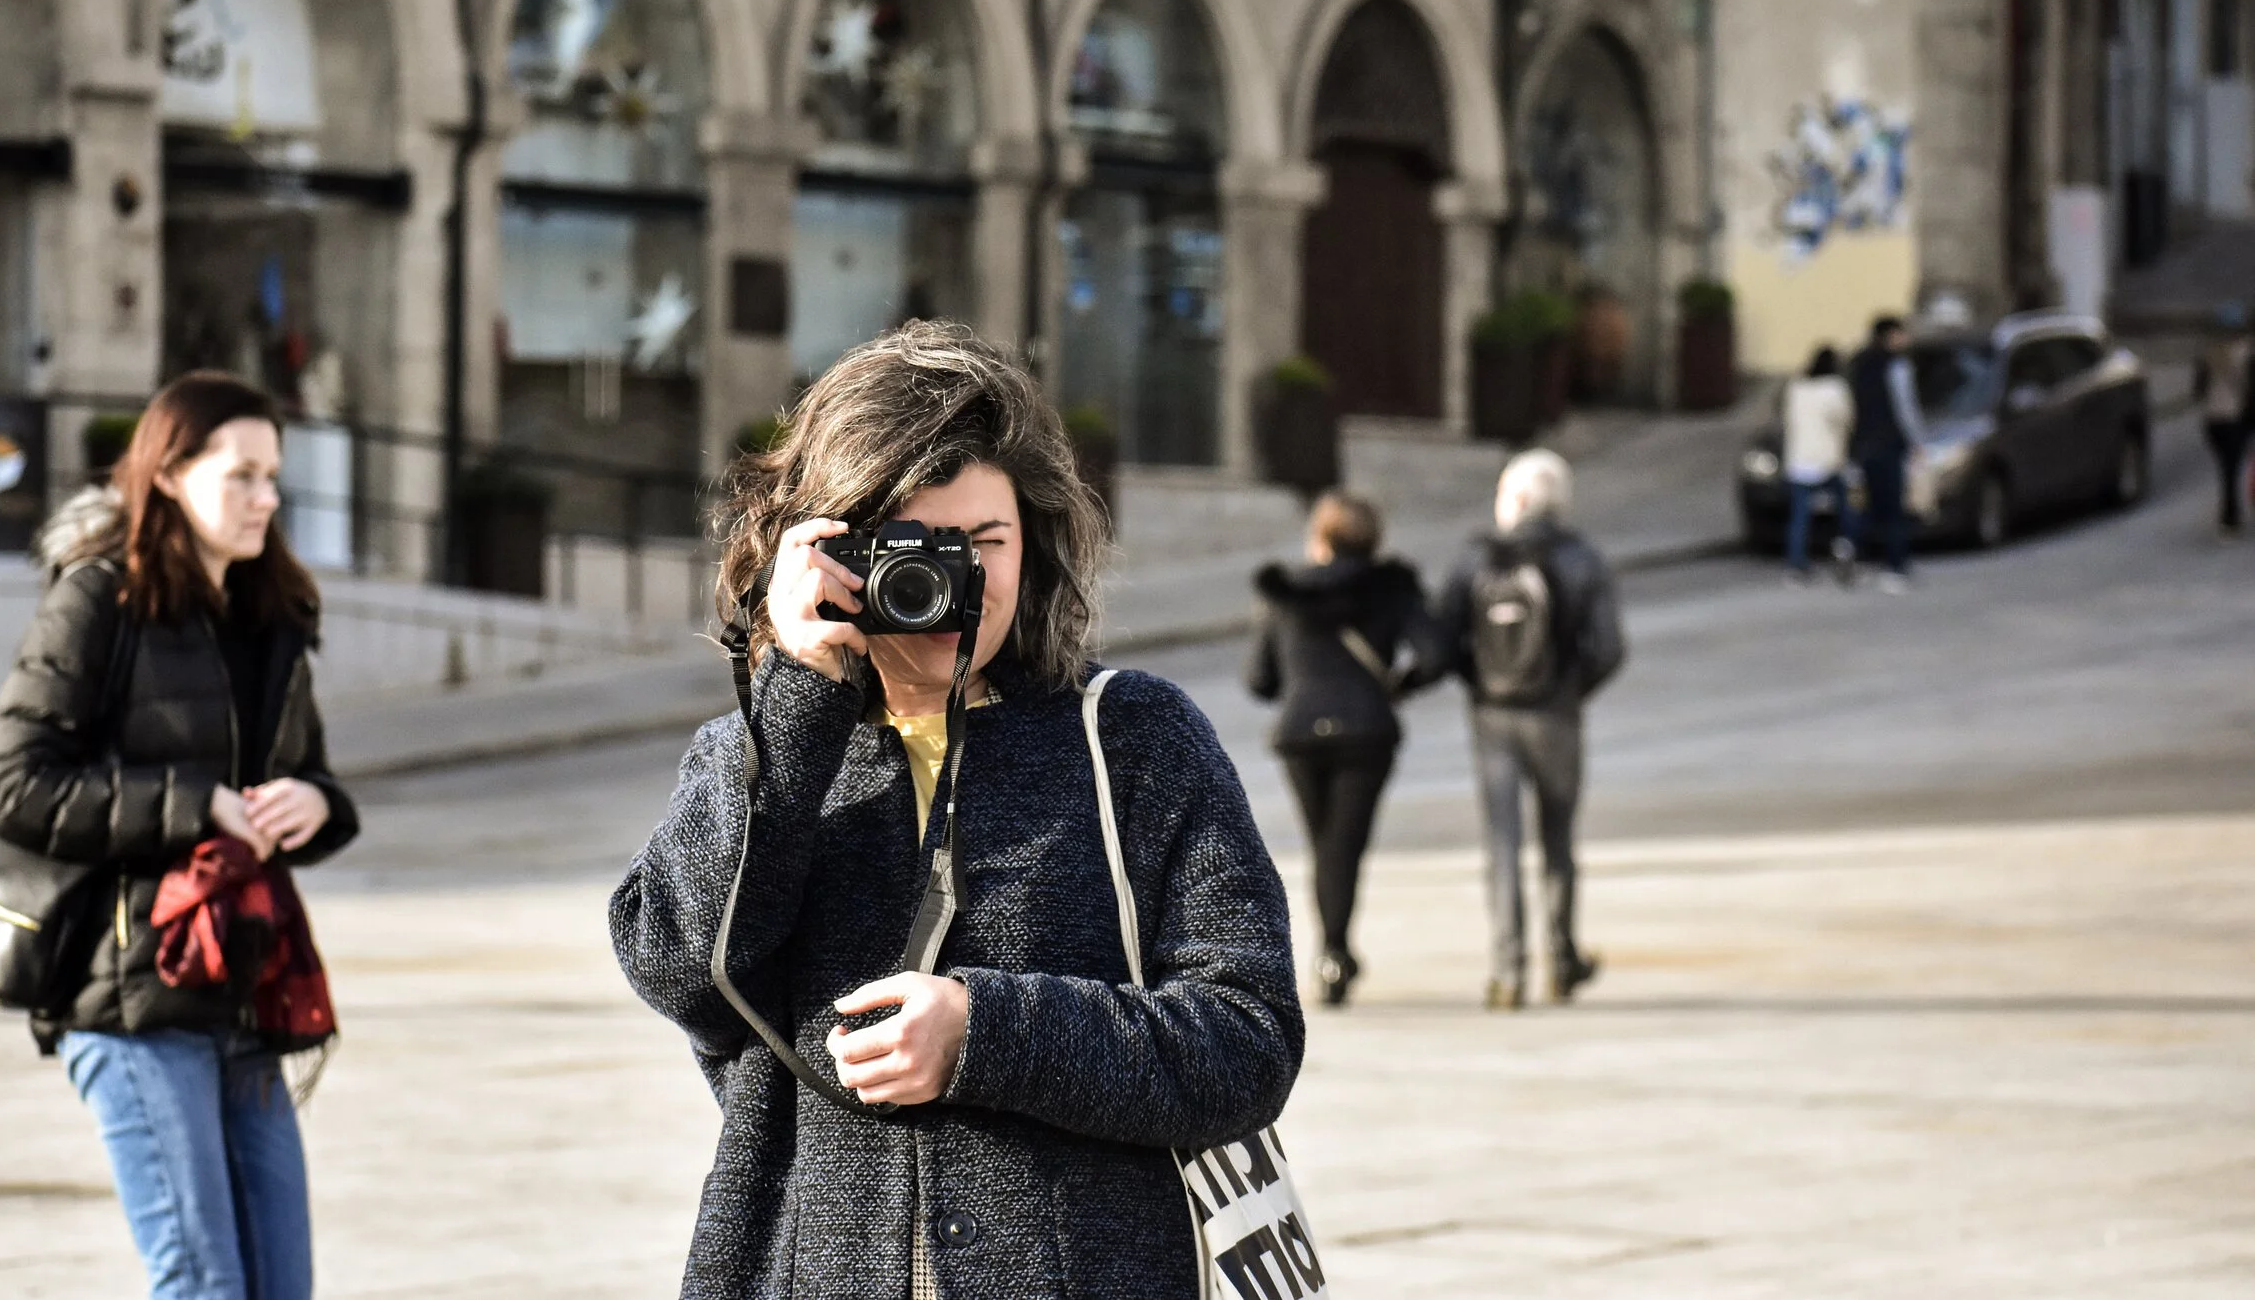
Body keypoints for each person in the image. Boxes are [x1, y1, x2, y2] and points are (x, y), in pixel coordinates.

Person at [611, 321, 1302, 1299]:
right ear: (826, 547)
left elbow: (1249, 1037)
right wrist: (799, 693)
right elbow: (679, 967)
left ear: (1040, 538)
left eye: (984, 543)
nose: (950, 585)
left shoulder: (1133, 736)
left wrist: (991, 1031)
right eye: (909, 549)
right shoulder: (759, 749)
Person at [0, 372, 359, 1300]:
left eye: (274, 476)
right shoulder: (100, 600)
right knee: (203, 1284)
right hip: (130, 997)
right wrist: (196, 804)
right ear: (171, 474)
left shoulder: (271, 615)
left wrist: (316, 807)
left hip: (246, 983)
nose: (268, 496)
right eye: (243, 475)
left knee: (281, 1287)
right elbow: (14, 785)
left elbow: (310, 777)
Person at [1440, 449, 1625, 1011]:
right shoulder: (1583, 558)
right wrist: (1568, 691)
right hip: (1557, 716)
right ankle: (1562, 960)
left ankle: (1507, 970)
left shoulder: (1476, 559)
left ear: (1515, 500)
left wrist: (1480, 684)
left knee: (1502, 843)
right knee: (1558, 840)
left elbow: (1443, 636)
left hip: (1493, 718)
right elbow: (1610, 648)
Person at [1244, 490, 1444, 1007]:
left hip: (1300, 735)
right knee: (1344, 844)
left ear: (1321, 537)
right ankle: (1334, 952)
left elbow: (1258, 679)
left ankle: (1333, 951)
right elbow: (1435, 652)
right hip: (1365, 730)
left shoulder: (1284, 593)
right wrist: (1399, 684)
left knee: (1324, 844)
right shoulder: (1393, 589)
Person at [1846, 315, 1926, 593]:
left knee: (1868, 506)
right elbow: (1906, 408)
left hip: (1864, 445)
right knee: (1893, 509)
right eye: (1901, 334)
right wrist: (1917, 441)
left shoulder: (1858, 365)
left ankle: (1856, 556)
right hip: (1889, 444)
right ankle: (1895, 568)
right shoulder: (1897, 366)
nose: (1905, 339)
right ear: (1890, 336)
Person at [1782, 346, 1859, 583]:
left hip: (1799, 460)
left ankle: (1797, 564)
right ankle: (1845, 551)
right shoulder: (1835, 389)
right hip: (1828, 460)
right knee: (1845, 509)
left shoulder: (1797, 387)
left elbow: (1789, 419)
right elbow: (1847, 421)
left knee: (1800, 515)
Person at [2194, 302, 2254, 537]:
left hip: (2213, 420)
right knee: (2232, 468)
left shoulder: (2208, 355)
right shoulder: (2248, 353)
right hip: (2236, 417)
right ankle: (2230, 516)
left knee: (2226, 468)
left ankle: (2230, 515)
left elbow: (2198, 389)